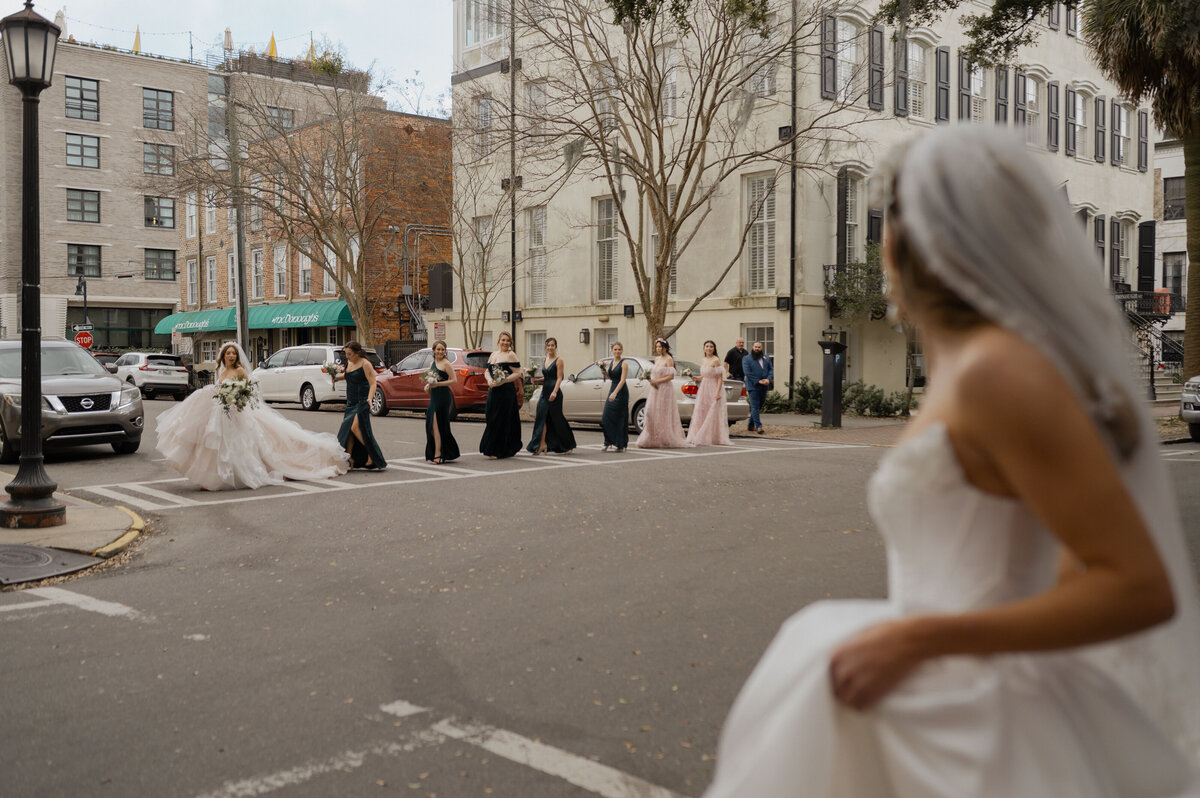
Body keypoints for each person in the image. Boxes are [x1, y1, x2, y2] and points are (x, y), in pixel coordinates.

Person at [703, 127, 1200, 797]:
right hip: (941, 692)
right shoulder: (968, 362)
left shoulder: (1000, 370)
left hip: (979, 719)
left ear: (915, 241)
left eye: (889, 221)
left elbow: (1139, 586)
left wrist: (918, 642)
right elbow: (1056, 557)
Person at [156, 342, 349, 490]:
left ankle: (240, 475)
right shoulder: (221, 370)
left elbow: (248, 391)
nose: (231, 356)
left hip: (237, 412)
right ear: (223, 356)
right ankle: (210, 478)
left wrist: (238, 399)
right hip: (220, 412)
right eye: (228, 353)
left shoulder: (240, 371)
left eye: (233, 353)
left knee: (239, 446)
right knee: (215, 447)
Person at [332, 340, 387, 471]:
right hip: (351, 401)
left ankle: (371, 454)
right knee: (348, 431)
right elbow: (349, 376)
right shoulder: (350, 362)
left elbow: (373, 383)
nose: (347, 356)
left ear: (357, 353)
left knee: (356, 427)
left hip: (363, 400)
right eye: (346, 354)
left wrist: (370, 398)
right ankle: (349, 458)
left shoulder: (365, 364)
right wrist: (337, 378)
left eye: (349, 354)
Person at [636, 338, 692, 449]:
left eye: (660, 347)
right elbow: (655, 373)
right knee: (650, 412)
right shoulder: (656, 359)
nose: (658, 349)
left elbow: (670, 376)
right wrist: (649, 378)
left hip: (665, 388)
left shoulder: (669, 359)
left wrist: (657, 381)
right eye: (657, 347)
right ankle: (651, 437)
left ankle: (664, 438)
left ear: (665, 347)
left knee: (663, 413)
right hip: (655, 389)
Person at [527, 337, 576, 455]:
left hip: (555, 393)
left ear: (555, 347)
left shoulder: (559, 360)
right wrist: (537, 380)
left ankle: (568, 445)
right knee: (541, 417)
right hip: (545, 392)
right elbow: (548, 377)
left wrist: (554, 391)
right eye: (548, 345)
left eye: (552, 345)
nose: (550, 347)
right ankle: (542, 443)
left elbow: (559, 378)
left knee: (557, 419)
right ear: (545, 347)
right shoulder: (546, 359)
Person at [479, 331, 524, 459]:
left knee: (501, 419)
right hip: (493, 390)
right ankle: (496, 447)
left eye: (508, 340)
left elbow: (517, 373)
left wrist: (503, 380)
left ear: (510, 343)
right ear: (498, 341)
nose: (505, 342)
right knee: (491, 417)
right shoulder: (493, 355)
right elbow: (487, 371)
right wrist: (489, 380)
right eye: (503, 340)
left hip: (506, 392)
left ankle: (497, 450)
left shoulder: (511, 355)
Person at [686, 340, 731, 446]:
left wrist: (717, 392)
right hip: (704, 387)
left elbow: (720, 378)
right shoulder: (703, 360)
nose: (709, 348)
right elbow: (706, 375)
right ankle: (697, 434)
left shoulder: (716, 360)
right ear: (704, 348)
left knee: (712, 411)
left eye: (711, 346)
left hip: (713, 387)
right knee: (702, 410)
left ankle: (711, 436)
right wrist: (697, 377)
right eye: (707, 346)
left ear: (714, 348)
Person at [423, 339, 460, 464]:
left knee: (437, 424)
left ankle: (438, 454)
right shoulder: (431, 363)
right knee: (431, 426)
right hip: (434, 396)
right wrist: (428, 385)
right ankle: (445, 450)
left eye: (443, 349)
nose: (440, 351)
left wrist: (438, 384)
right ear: (433, 351)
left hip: (443, 397)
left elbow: (454, 380)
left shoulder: (446, 364)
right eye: (438, 349)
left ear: (445, 351)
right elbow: (430, 380)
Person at [599, 342, 630, 452]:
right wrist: (605, 374)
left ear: (622, 350)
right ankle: (608, 441)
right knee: (606, 417)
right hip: (613, 388)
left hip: (621, 392)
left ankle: (620, 444)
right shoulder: (612, 362)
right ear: (612, 350)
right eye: (615, 349)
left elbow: (622, 380)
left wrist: (615, 393)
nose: (617, 351)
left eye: (619, 349)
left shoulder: (624, 363)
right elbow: (612, 378)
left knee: (620, 418)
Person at [741, 342, 772, 434]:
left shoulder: (766, 357)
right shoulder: (746, 358)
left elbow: (771, 369)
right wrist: (758, 381)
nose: (757, 348)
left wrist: (768, 379)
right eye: (755, 347)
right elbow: (747, 372)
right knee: (755, 406)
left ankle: (750, 425)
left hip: (764, 385)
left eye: (759, 347)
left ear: (761, 348)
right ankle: (759, 426)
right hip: (753, 386)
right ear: (752, 347)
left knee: (759, 405)